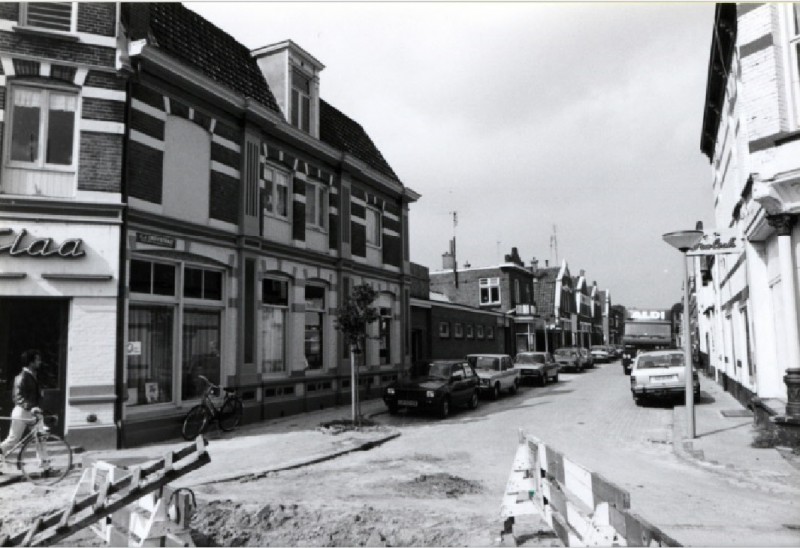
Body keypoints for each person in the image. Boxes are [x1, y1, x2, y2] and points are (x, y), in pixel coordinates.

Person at [0, 349, 44, 458]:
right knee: (13, 440)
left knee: (41, 438)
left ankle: (45, 467)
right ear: (31, 362)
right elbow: (17, 397)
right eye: (37, 360)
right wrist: (30, 407)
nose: (40, 362)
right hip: (23, 411)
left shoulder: (33, 375)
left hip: (33, 412)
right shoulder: (22, 377)